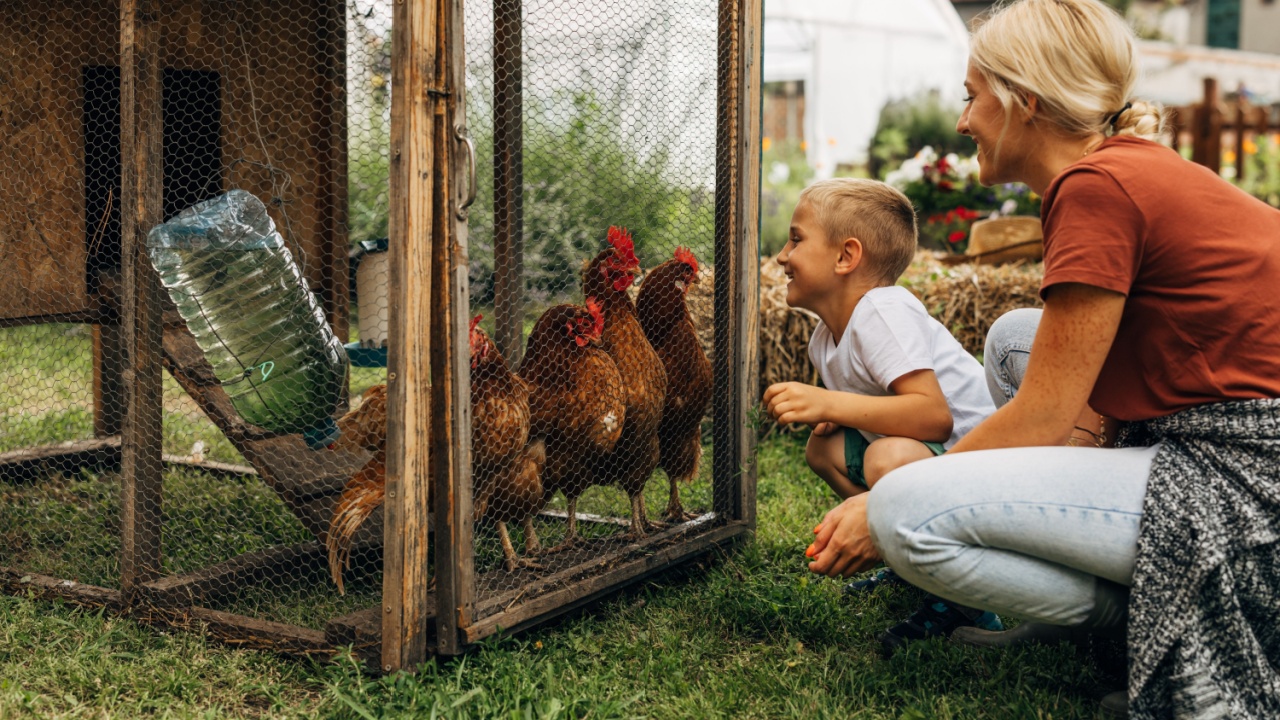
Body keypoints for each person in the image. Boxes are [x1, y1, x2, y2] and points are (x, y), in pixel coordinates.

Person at [803, 1, 1280, 718]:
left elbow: (1041, 416)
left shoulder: (1096, 188)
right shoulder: (1120, 169)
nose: (963, 121)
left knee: (905, 515)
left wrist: (878, 505)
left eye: (972, 96)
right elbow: (1075, 386)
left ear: (1023, 101)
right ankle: (1075, 611)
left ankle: (1141, 617)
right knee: (1013, 339)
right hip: (1228, 431)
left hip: (1247, 478)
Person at [761, 178, 1001, 656]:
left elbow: (932, 417)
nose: (782, 255)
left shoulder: (883, 310)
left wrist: (830, 403)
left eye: (796, 239)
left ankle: (964, 598)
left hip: (983, 468)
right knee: (824, 449)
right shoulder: (824, 339)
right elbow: (878, 406)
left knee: (886, 459)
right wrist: (840, 417)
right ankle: (909, 557)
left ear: (846, 257)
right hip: (939, 466)